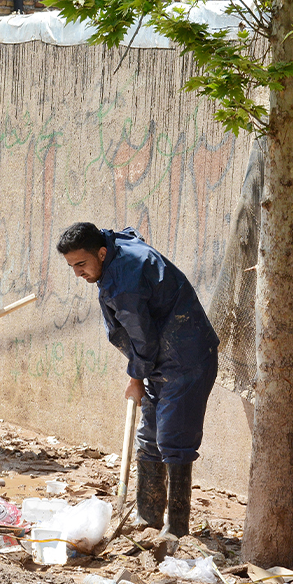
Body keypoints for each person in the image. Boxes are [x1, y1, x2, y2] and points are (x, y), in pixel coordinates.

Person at [57, 222, 219, 536]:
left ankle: (176, 530)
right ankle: (148, 518)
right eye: (71, 266)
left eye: (81, 264)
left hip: (185, 358)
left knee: (174, 439)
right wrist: (142, 372)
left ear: (101, 254)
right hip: (162, 356)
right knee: (150, 437)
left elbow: (141, 338)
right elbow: (128, 232)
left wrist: (135, 377)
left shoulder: (123, 281)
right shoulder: (112, 246)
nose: (77, 273)